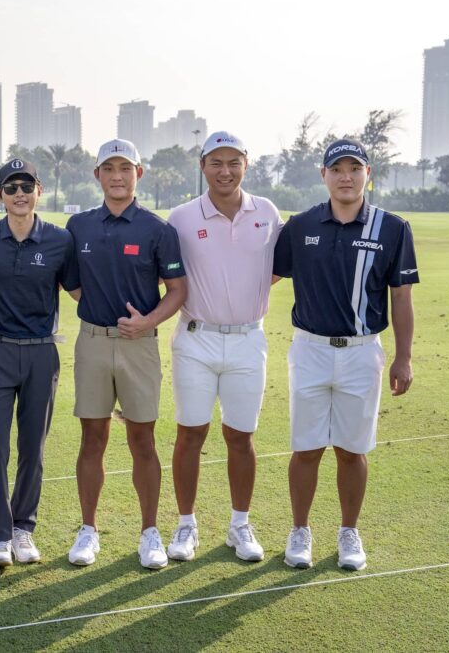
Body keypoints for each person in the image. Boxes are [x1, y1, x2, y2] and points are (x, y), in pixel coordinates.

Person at [273, 139, 418, 571]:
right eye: (337, 169)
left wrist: (403, 357)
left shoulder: (391, 228)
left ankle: (348, 532)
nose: (346, 177)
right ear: (324, 175)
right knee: (307, 448)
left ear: (367, 174)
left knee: (352, 451)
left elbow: (402, 298)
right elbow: (267, 276)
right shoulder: (299, 226)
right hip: (310, 349)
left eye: (355, 168)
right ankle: (300, 530)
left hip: (361, 353)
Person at [64, 138, 187, 570]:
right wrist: (96, 310)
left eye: (126, 168)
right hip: (93, 343)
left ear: (140, 173)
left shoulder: (158, 229)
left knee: (142, 439)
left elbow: (177, 291)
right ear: (97, 175)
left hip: (140, 346)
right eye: (109, 168)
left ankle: (150, 532)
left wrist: (148, 321)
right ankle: (88, 530)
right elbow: (72, 283)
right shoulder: (78, 226)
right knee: (92, 438)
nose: (117, 176)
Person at [165, 132, 283, 563]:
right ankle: (185, 525)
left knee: (241, 436)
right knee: (190, 433)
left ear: (246, 165)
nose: (225, 171)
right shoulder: (180, 217)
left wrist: (241, 295)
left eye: (234, 162)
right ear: (203, 166)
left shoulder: (267, 212)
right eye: (216, 162)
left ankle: (239, 525)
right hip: (196, 338)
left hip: (249, 339)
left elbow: (274, 268)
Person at [0, 159, 77, 567]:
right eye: (10, 187)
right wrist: (0, 305)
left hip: (41, 352)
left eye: (26, 186)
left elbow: (78, 289)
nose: (18, 194)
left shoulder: (59, 240)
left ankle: (22, 529)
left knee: (33, 446)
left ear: (38, 191)